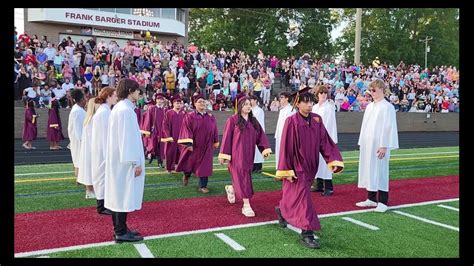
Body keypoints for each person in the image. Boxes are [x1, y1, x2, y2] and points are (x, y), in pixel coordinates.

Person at [274, 87, 344, 249]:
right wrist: (287, 170)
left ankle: (282, 210)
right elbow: (286, 147)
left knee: (294, 195)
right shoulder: (291, 121)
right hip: (296, 166)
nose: (309, 105)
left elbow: (325, 142)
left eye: (311, 101)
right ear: (298, 104)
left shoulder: (317, 120)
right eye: (306, 102)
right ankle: (307, 232)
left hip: (312, 165)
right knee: (304, 198)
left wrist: (332, 160)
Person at [104, 79, 145, 243]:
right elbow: (126, 139)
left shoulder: (122, 109)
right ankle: (120, 231)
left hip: (121, 161)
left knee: (120, 194)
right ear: (130, 90)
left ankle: (121, 228)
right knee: (123, 194)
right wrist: (134, 163)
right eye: (137, 90)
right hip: (125, 162)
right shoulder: (125, 111)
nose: (138, 93)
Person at [219, 93, 272, 217]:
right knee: (243, 179)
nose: (248, 106)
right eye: (245, 104)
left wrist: (264, 149)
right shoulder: (233, 120)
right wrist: (224, 155)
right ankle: (246, 205)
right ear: (239, 106)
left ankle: (231, 188)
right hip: (236, 155)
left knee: (243, 177)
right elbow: (227, 138)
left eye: (249, 104)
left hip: (249, 155)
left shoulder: (253, 121)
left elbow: (261, 136)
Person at [356, 79, 399, 213]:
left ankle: (383, 201)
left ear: (382, 90)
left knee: (380, 171)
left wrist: (384, 145)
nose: (372, 93)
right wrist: (362, 141)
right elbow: (365, 126)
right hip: (368, 144)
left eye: (374, 90)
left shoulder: (387, 107)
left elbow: (388, 128)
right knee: (369, 169)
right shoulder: (370, 106)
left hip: (380, 145)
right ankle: (371, 198)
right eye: (371, 90)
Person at [176, 94, 219, 193]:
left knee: (205, 165)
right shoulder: (190, 116)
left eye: (204, 102)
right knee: (189, 163)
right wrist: (189, 144)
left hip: (207, 145)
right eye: (199, 102)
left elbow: (214, 129)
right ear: (195, 104)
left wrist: (215, 141)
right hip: (195, 145)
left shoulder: (210, 117)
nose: (202, 103)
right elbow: (186, 129)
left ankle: (202, 185)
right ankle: (186, 175)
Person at [91, 87, 117, 215]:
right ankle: (101, 205)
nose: (116, 97)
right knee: (102, 175)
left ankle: (103, 203)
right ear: (108, 96)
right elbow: (107, 134)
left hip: (100, 148)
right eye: (114, 95)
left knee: (101, 175)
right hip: (103, 148)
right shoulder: (104, 112)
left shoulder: (104, 111)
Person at [310, 85, 338, 196]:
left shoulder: (329, 107)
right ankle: (319, 184)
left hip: (325, 138)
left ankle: (328, 187)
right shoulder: (315, 107)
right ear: (317, 95)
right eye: (321, 93)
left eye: (325, 93)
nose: (323, 95)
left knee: (327, 163)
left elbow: (328, 123)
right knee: (318, 162)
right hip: (315, 138)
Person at [67, 89, 91, 197]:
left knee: (78, 161)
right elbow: (78, 130)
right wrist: (83, 141)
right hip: (79, 141)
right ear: (81, 99)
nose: (86, 100)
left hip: (79, 140)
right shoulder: (77, 111)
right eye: (85, 98)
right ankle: (80, 180)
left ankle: (80, 179)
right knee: (80, 160)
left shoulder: (78, 110)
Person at [77, 98, 100, 200]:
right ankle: (90, 191)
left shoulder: (89, 118)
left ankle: (90, 190)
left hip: (88, 148)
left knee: (89, 169)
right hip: (91, 148)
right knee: (90, 169)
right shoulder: (93, 119)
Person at [161, 95, 186, 174]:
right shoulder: (169, 113)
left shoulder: (184, 114)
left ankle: (178, 167)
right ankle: (169, 168)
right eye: (177, 103)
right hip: (172, 137)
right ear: (173, 104)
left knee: (181, 152)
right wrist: (168, 136)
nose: (178, 104)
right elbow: (165, 125)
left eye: (180, 103)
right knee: (170, 152)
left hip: (181, 137)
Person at [140, 93, 166, 168]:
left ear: (163, 101)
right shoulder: (152, 108)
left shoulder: (165, 110)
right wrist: (147, 131)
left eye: (161, 100)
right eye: (158, 99)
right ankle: (148, 156)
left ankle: (160, 162)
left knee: (161, 147)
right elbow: (148, 120)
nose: (160, 101)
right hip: (154, 130)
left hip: (162, 131)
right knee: (153, 146)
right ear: (156, 100)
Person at [274, 92, 295, 169]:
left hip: (287, 136)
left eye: (282, 97)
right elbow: (279, 124)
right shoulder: (282, 110)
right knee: (279, 152)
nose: (280, 99)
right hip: (280, 135)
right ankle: (280, 169)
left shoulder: (291, 110)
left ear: (287, 98)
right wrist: (277, 134)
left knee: (286, 153)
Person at [249, 95, 265, 173]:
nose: (250, 101)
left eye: (251, 100)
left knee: (258, 151)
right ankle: (253, 166)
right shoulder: (250, 110)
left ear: (255, 100)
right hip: (251, 132)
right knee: (252, 150)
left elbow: (258, 122)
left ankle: (258, 167)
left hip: (257, 132)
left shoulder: (259, 110)